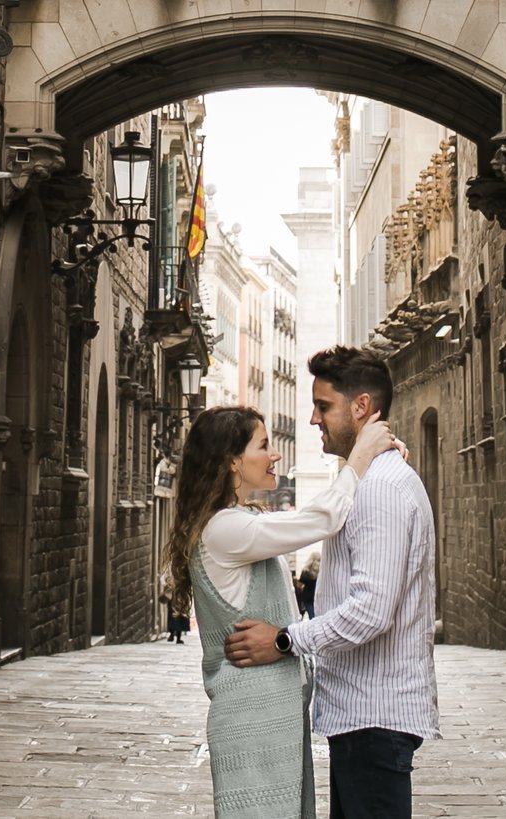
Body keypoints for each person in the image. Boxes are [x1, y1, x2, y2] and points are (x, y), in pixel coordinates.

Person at [225, 347, 437, 819]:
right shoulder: (369, 480)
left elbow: (371, 610)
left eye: (323, 406)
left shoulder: (380, 489)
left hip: (374, 719)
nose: (313, 419)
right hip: (362, 718)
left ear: (360, 406)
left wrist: (283, 640)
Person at [164, 402, 399, 818]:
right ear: (233, 461)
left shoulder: (233, 522)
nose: (275, 455)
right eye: (264, 445)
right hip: (253, 723)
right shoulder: (225, 529)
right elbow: (322, 519)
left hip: (272, 719)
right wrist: (361, 455)